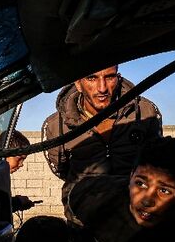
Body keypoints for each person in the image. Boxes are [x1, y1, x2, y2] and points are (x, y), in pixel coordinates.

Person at [41, 65, 162, 223]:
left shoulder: (145, 112)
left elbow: (157, 161)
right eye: (92, 78)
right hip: (84, 223)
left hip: (133, 221)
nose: (102, 88)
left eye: (109, 77)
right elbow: (61, 169)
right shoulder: (56, 125)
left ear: (118, 77)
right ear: (78, 83)